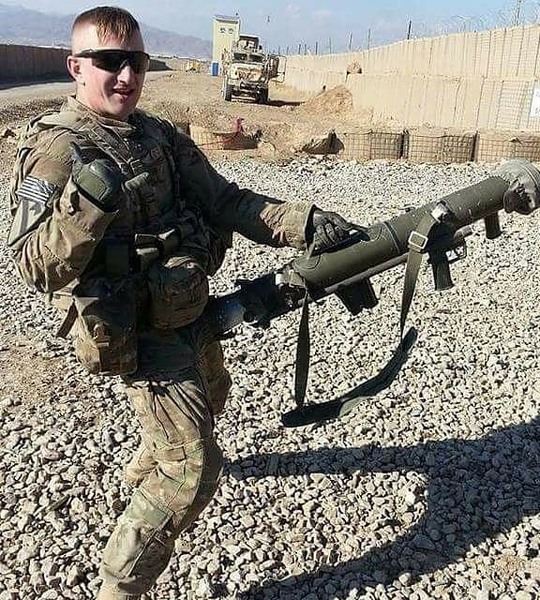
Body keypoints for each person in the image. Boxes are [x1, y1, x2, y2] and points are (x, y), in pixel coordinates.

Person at [6, 6, 353, 599]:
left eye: (136, 62)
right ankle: (120, 587)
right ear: (75, 67)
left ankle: (142, 474)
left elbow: (226, 201)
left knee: (213, 396)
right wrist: (86, 207)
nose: (126, 76)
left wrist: (304, 223)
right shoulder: (57, 150)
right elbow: (33, 267)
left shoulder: (158, 136)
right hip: (134, 330)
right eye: (109, 62)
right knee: (194, 469)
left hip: (185, 306)